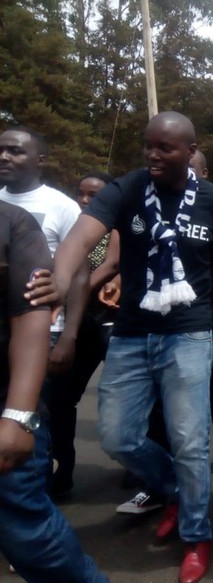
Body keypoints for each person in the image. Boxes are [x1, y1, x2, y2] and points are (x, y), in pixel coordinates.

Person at [50, 111, 213, 583]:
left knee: (191, 441)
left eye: (165, 147)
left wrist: (204, 308)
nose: (153, 154)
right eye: (148, 145)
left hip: (188, 332)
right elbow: (83, 235)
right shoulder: (127, 189)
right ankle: (174, 487)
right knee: (117, 435)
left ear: (190, 152)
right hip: (131, 331)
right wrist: (60, 276)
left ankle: (196, 533)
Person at [0, 199, 109, 582]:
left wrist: (17, 415)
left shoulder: (12, 222)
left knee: (24, 525)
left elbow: (30, 315)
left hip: (7, 400)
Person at [0, 126, 91, 494]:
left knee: (44, 412)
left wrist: (68, 336)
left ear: (40, 160)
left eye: (16, 151)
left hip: (44, 332)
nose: (5, 157)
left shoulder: (62, 206)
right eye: (1, 150)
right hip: (3, 335)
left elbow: (82, 274)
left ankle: (55, 477)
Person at [47, 171, 120, 498]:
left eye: (94, 195)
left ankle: (140, 466)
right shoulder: (73, 227)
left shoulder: (115, 225)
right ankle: (63, 469)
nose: (85, 200)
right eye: (81, 193)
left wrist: (69, 293)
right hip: (76, 324)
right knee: (62, 399)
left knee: (124, 398)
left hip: (109, 320)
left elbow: (111, 265)